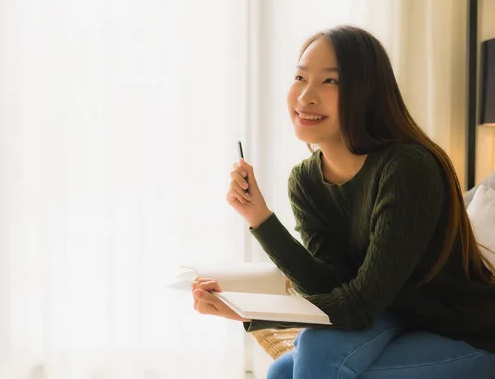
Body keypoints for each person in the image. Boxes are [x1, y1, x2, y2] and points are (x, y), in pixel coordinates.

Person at [190, 25, 495, 378]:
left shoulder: (408, 168)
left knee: (313, 364)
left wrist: (249, 310)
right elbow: (328, 286)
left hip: (464, 333)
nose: (305, 97)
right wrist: (259, 217)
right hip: (395, 320)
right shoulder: (305, 180)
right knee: (284, 370)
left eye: (330, 81)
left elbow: (360, 304)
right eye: (300, 77)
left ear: (367, 93)